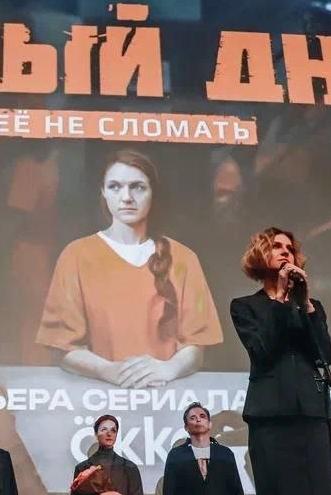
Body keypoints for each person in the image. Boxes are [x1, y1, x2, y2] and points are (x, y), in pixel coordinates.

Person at [37, 150, 223, 388]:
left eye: (138, 187)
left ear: (152, 192)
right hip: (96, 397)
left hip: (167, 396)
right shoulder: (75, 256)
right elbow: (63, 347)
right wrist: (108, 371)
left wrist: (168, 369)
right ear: (103, 192)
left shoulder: (184, 259)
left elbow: (196, 344)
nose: (126, 197)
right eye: (115, 187)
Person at [230, 227, 331, 495]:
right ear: (260, 254)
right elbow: (262, 352)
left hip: (312, 414)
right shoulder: (245, 307)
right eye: (277, 247)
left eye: (290, 249)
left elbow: (324, 356)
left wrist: (306, 304)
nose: (285, 253)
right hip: (271, 417)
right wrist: (278, 298)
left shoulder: (311, 307)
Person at [162, 402, 245, 495]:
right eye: (192, 418)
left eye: (202, 416)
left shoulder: (225, 453)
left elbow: (237, 494)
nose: (198, 420)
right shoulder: (176, 455)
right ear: (186, 427)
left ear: (210, 424)